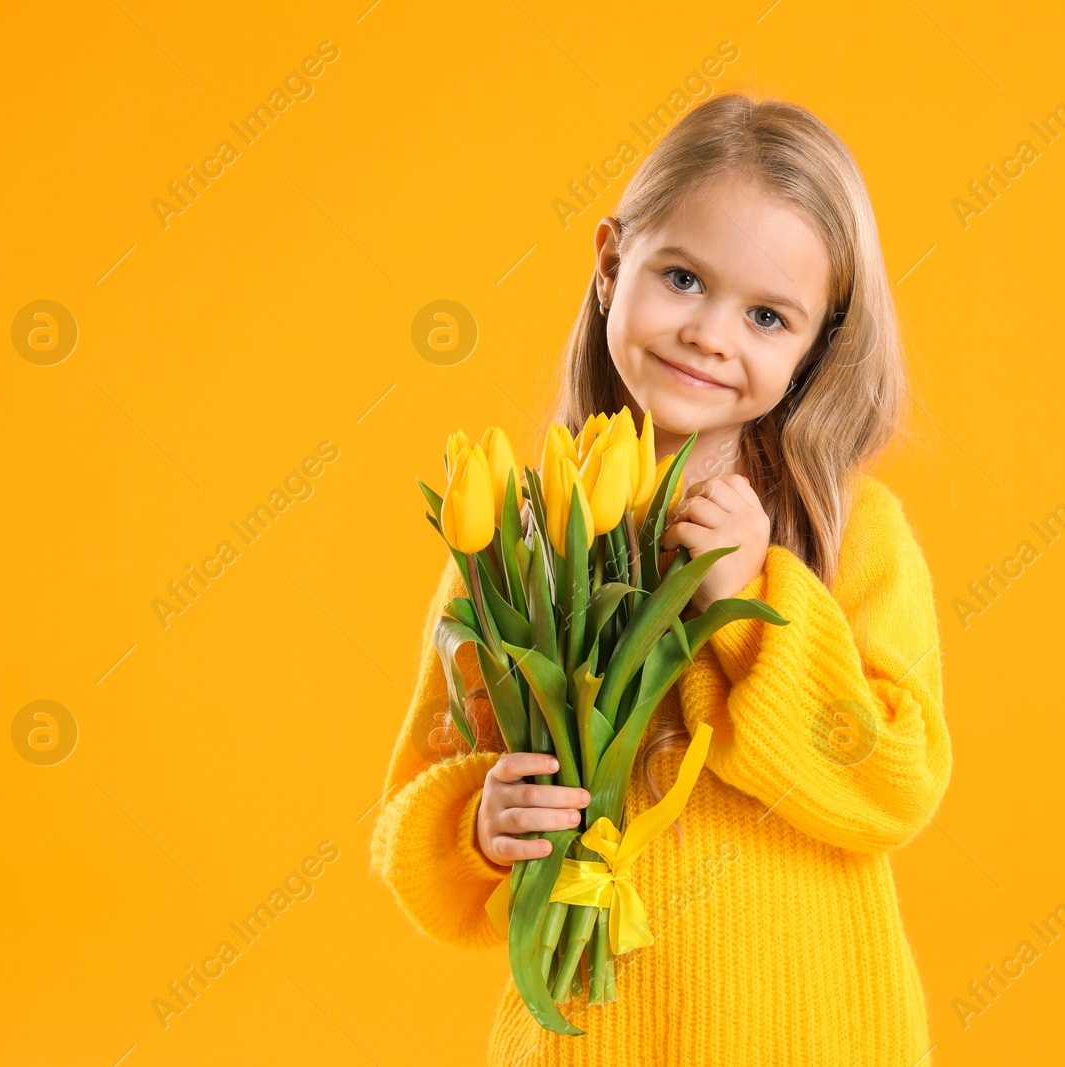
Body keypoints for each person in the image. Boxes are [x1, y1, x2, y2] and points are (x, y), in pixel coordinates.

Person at [372, 90, 952, 1065]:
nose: (711, 334)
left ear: (815, 346)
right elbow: (418, 802)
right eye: (682, 278)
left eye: (768, 315)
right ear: (609, 263)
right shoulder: (516, 539)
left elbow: (896, 784)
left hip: (814, 1033)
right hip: (593, 1037)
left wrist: (757, 602)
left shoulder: (849, 533)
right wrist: (479, 820)